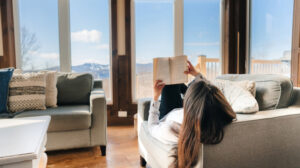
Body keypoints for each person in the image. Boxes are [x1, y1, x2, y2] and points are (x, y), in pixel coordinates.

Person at [148, 61, 236, 168]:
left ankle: (186, 88)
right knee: (177, 83)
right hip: (191, 111)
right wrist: (196, 74)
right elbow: (212, 94)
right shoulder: (221, 115)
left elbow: (152, 127)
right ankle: (187, 89)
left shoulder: (171, 129)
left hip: (171, 112)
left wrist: (155, 97)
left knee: (169, 84)